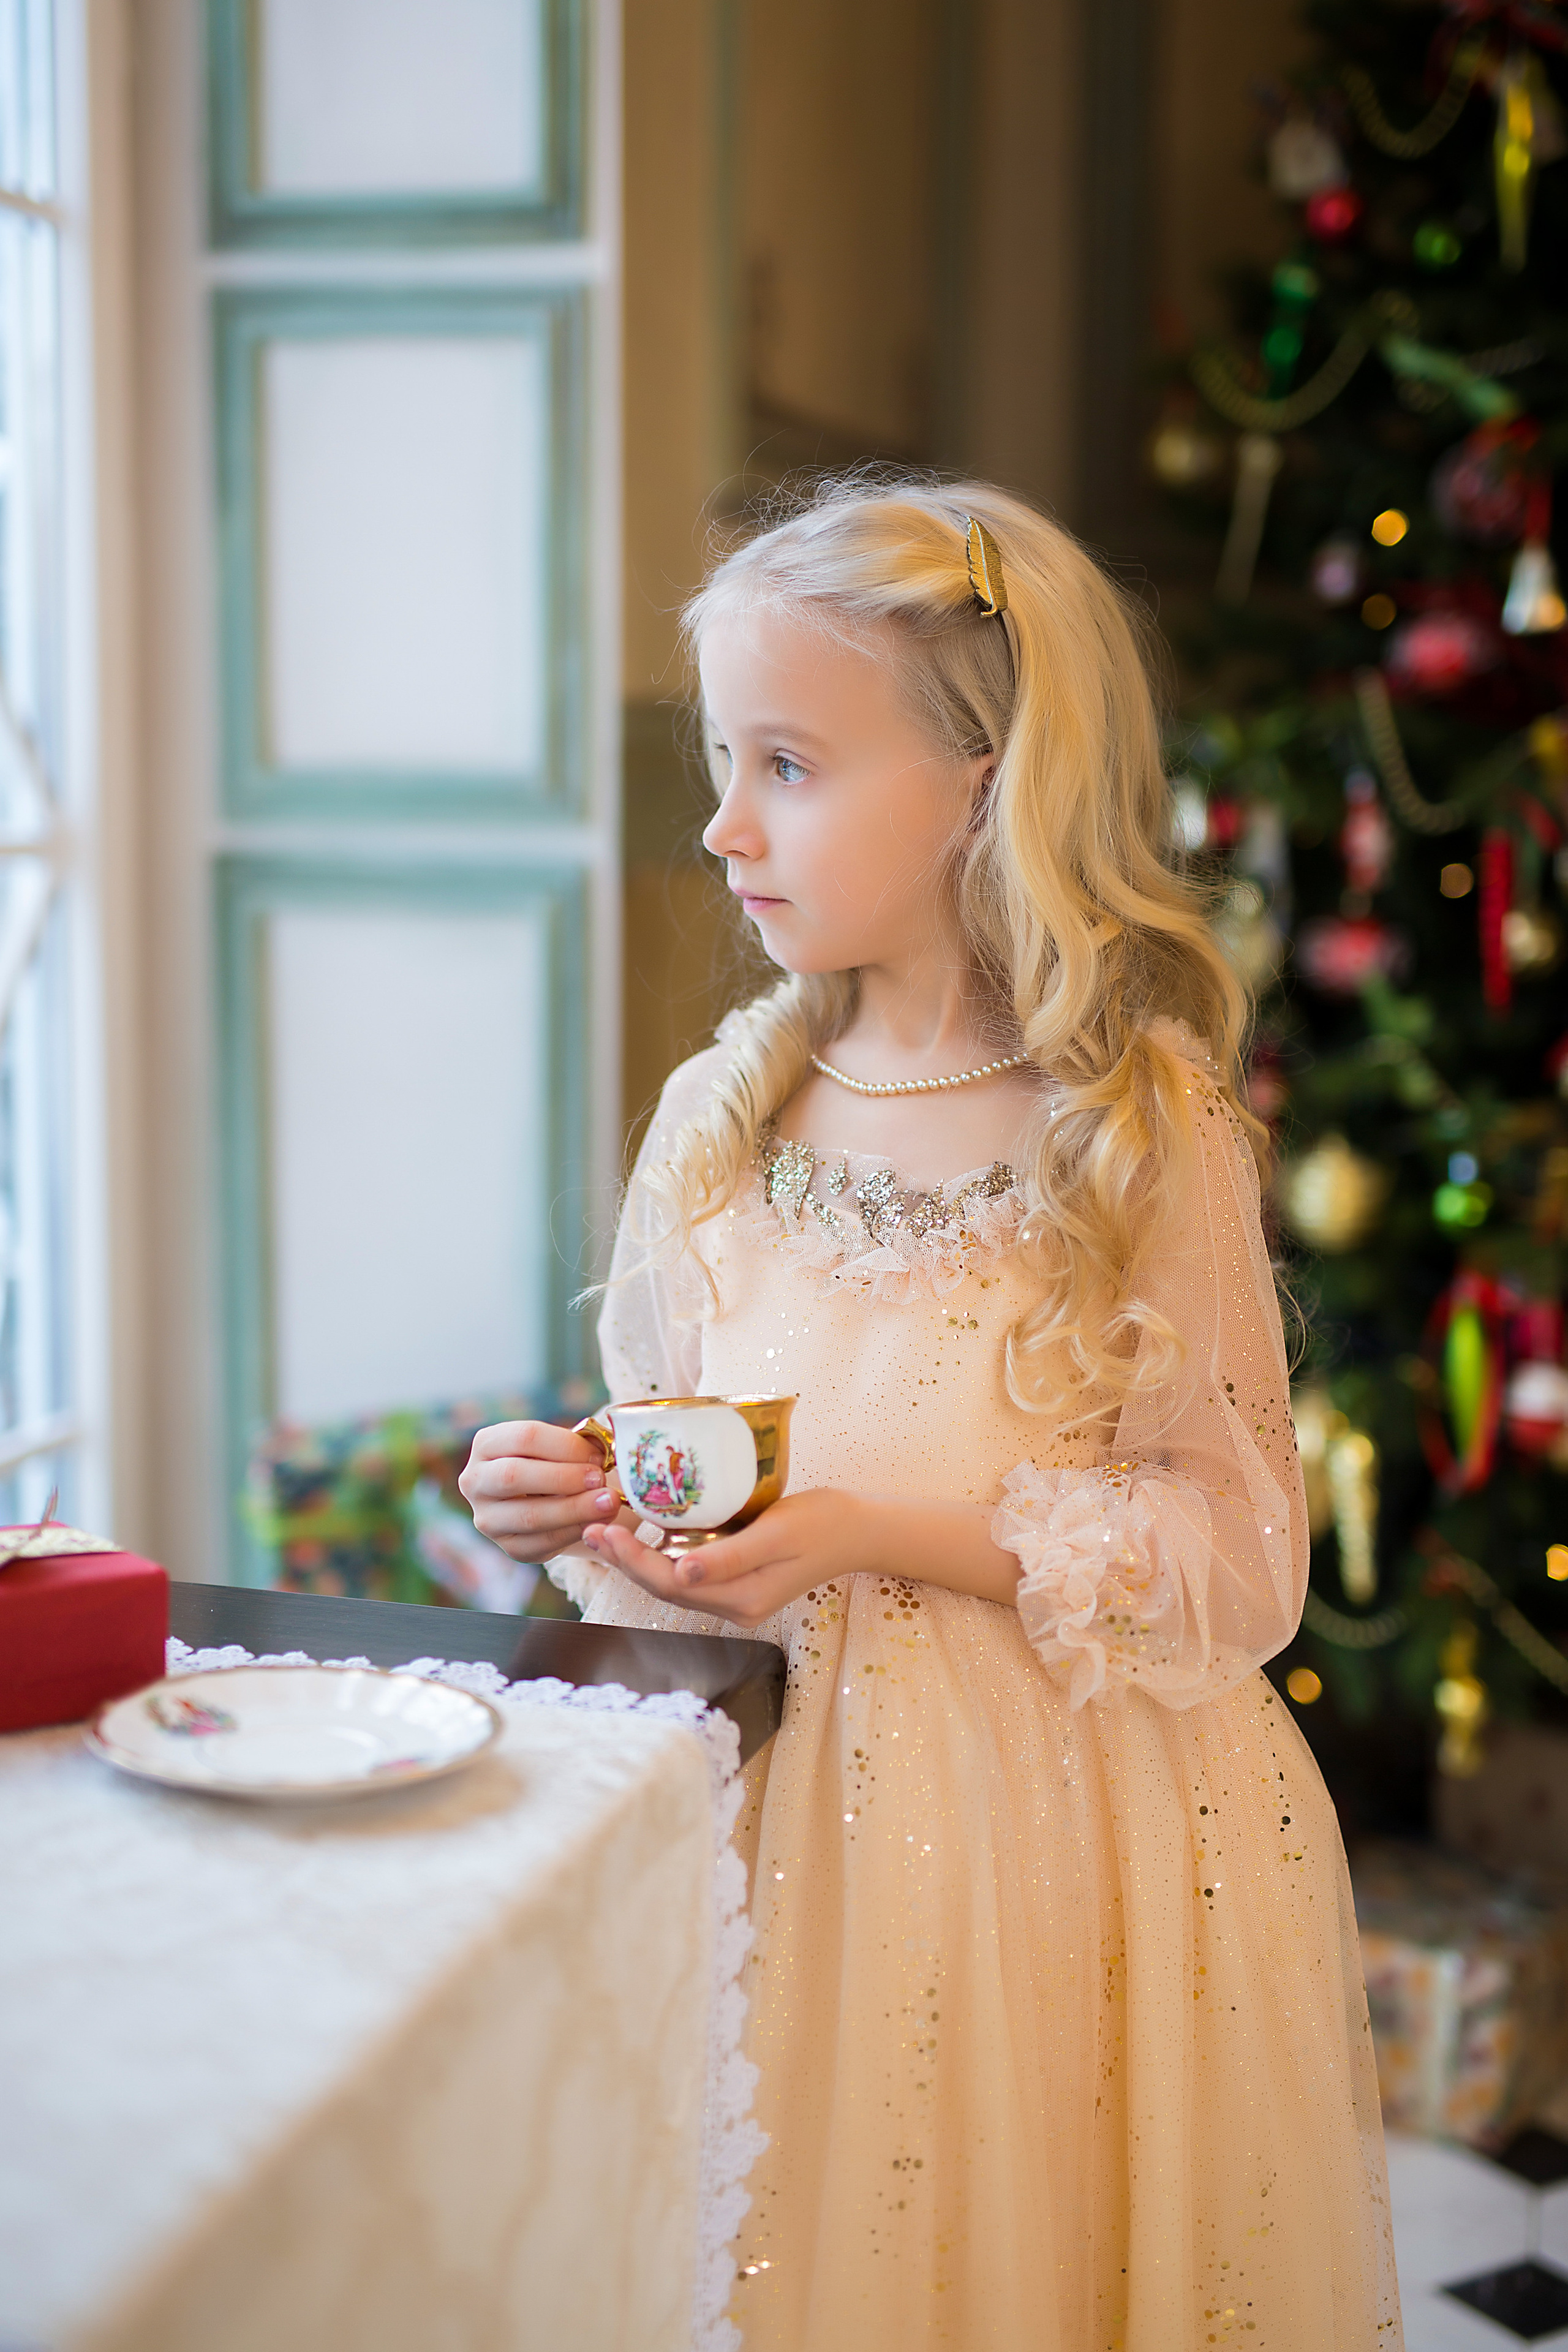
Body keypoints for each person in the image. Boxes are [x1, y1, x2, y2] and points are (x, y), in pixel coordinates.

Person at [460, 480, 1402, 2351]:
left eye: (789, 764)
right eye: (725, 759)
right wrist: (576, 1482)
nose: (724, 824)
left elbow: (1238, 1554)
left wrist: (889, 1537)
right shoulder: (720, 1116)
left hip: (1041, 1856)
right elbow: (683, 1434)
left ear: (980, 779)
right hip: (754, 1826)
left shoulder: (1138, 1133)